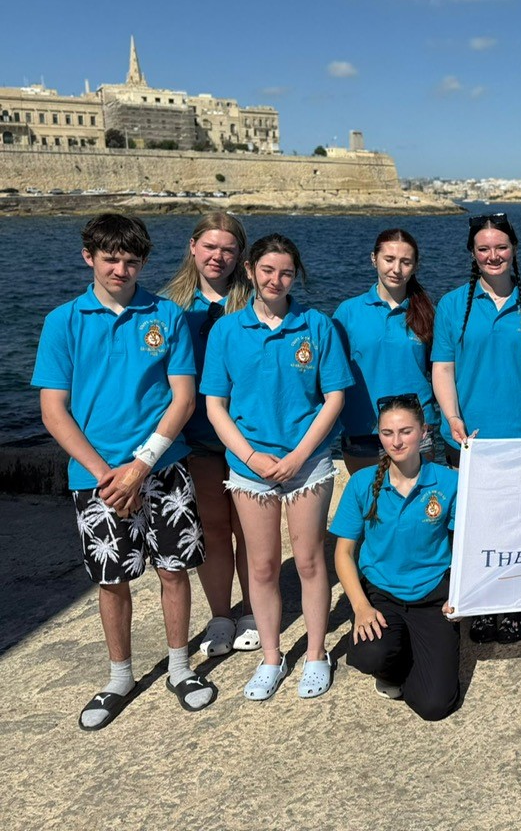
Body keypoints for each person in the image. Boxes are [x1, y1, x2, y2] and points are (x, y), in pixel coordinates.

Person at [33, 213, 213, 730]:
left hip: (163, 465)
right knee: (112, 580)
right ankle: (119, 678)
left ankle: (180, 668)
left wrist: (142, 464)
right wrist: (107, 474)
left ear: (144, 262)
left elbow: (182, 398)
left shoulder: (166, 314)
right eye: (110, 259)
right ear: (88, 257)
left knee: (174, 570)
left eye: (131, 261)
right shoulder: (63, 321)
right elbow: (54, 411)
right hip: (96, 476)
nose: (121, 270)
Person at [202, 233, 352, 701]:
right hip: (250, 467)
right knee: (263, 566)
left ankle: (315, 653)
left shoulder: (316, 325)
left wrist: (298, 456)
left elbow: (334, 397)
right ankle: (271, 657)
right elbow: (215, 406)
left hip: (307, 463)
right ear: (249, 271)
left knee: (309, 561)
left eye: (286, 273)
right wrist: (250, 457)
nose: (276, 280)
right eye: (267, 270)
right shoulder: (227, 331)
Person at [432, 212, 521, 645]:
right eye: (483, 249)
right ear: (472, 253)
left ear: (514, 249)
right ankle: (481, 599)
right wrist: (453, 416)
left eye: (500, 247)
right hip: (469, 439)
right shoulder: (452, 305)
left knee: (518, 524)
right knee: (474, 525)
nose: (493, 256)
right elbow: (443, 368)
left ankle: (513, 600)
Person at [162, 212, 259, 658]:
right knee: (214, 530)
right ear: (193, 247)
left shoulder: (254, 301)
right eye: (210, 247)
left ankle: (254, 611)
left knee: (249, 531)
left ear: (240, 255)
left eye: (228, 249)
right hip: (195, 438)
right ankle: (222, 615)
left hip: (247, 437)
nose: (218, 256)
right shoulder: (170, 307)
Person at [332, 394, 461, 720]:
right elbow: (343, 553)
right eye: (387, 433)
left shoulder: (448, 481)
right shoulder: (362, 483)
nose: (397, 441)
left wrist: (460, 592)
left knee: (435, 706)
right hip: (382, 593)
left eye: (406, 431)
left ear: (424, 431)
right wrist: (361, 607)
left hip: (432, 593)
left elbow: (465, 544)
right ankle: (392, 664)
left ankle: (421, 654)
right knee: (370, 654)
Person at [333, 229, 439, 473]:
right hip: (362, 427)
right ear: (374, 259)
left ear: (415, 265)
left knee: (414, 495)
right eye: (389, 259)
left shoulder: (428, 312)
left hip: (415, 429)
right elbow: (331, 374)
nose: (396, 269)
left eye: (405, 262)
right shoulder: (348, 312)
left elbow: (441, 371)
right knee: (370, 496)